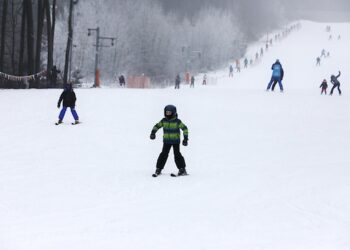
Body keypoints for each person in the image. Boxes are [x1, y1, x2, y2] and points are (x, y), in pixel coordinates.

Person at [150, 105, 189, 177]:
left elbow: (185, 129)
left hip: (175, 141)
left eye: (169, 112)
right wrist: (153, 132)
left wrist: (185, 139)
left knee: (177, 155)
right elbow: (157, 126)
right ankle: (158, 168)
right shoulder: (163, 121)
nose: (167, 114)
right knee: (163, 154)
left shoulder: (177, 121)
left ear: (173, 113)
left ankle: (182, 169)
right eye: (166, 112)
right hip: (166, 141)